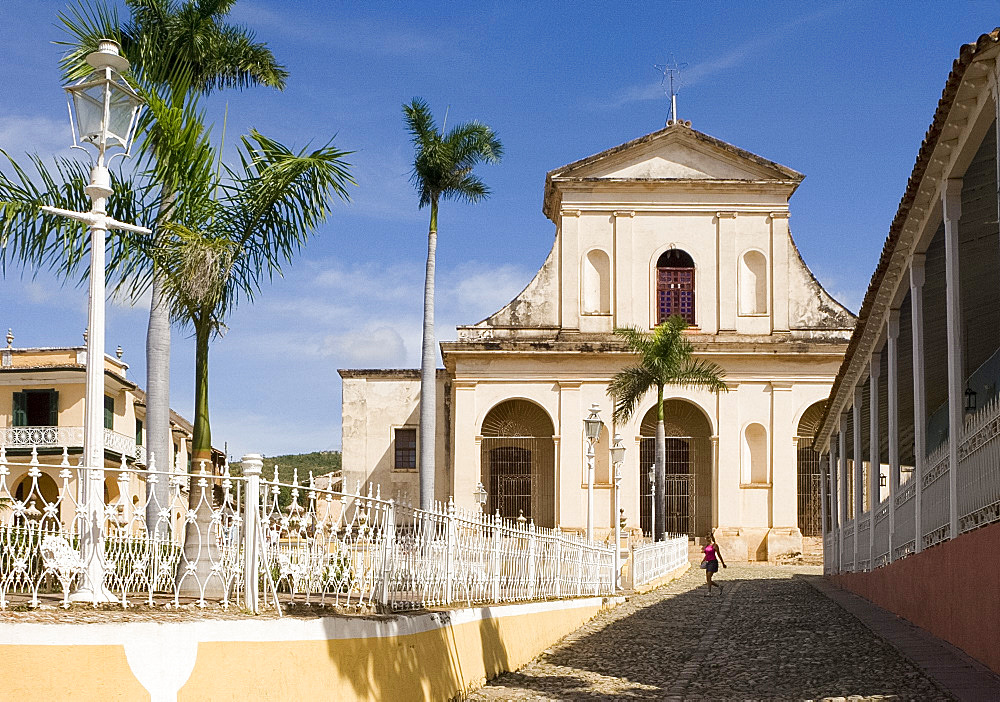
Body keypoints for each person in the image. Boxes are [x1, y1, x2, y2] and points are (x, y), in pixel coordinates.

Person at [700, 531, 726, 596]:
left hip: (713, 562)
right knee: (708, 579)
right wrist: (703, 560)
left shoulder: (715, 545)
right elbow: (706, 555)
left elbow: (719, 555)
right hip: (708, 562)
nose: (706, 540)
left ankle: (709, 592)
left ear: (710, 538)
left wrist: (723, 563)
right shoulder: (706, 545)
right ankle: (719, 586)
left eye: (707, 538)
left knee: (709, 576)